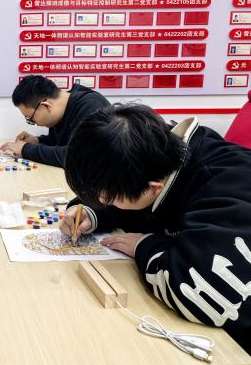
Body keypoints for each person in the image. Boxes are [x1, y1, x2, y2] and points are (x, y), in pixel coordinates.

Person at [59, 103, 251, 353]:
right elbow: (134, 200)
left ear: (153, 188)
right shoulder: (156, 157)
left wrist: (144, 246)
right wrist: (91, 213)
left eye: (107, 200)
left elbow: (200, 295)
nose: (104, 203)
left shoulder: (223, 187)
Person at [0, 75, 110, 167]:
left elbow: (78, 157)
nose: (34, 123)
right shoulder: (62, 109)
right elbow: (63, 142)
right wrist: (37, 140)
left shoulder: (91, 107)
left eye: (32, 118)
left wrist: (25, 150)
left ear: (46, 106)